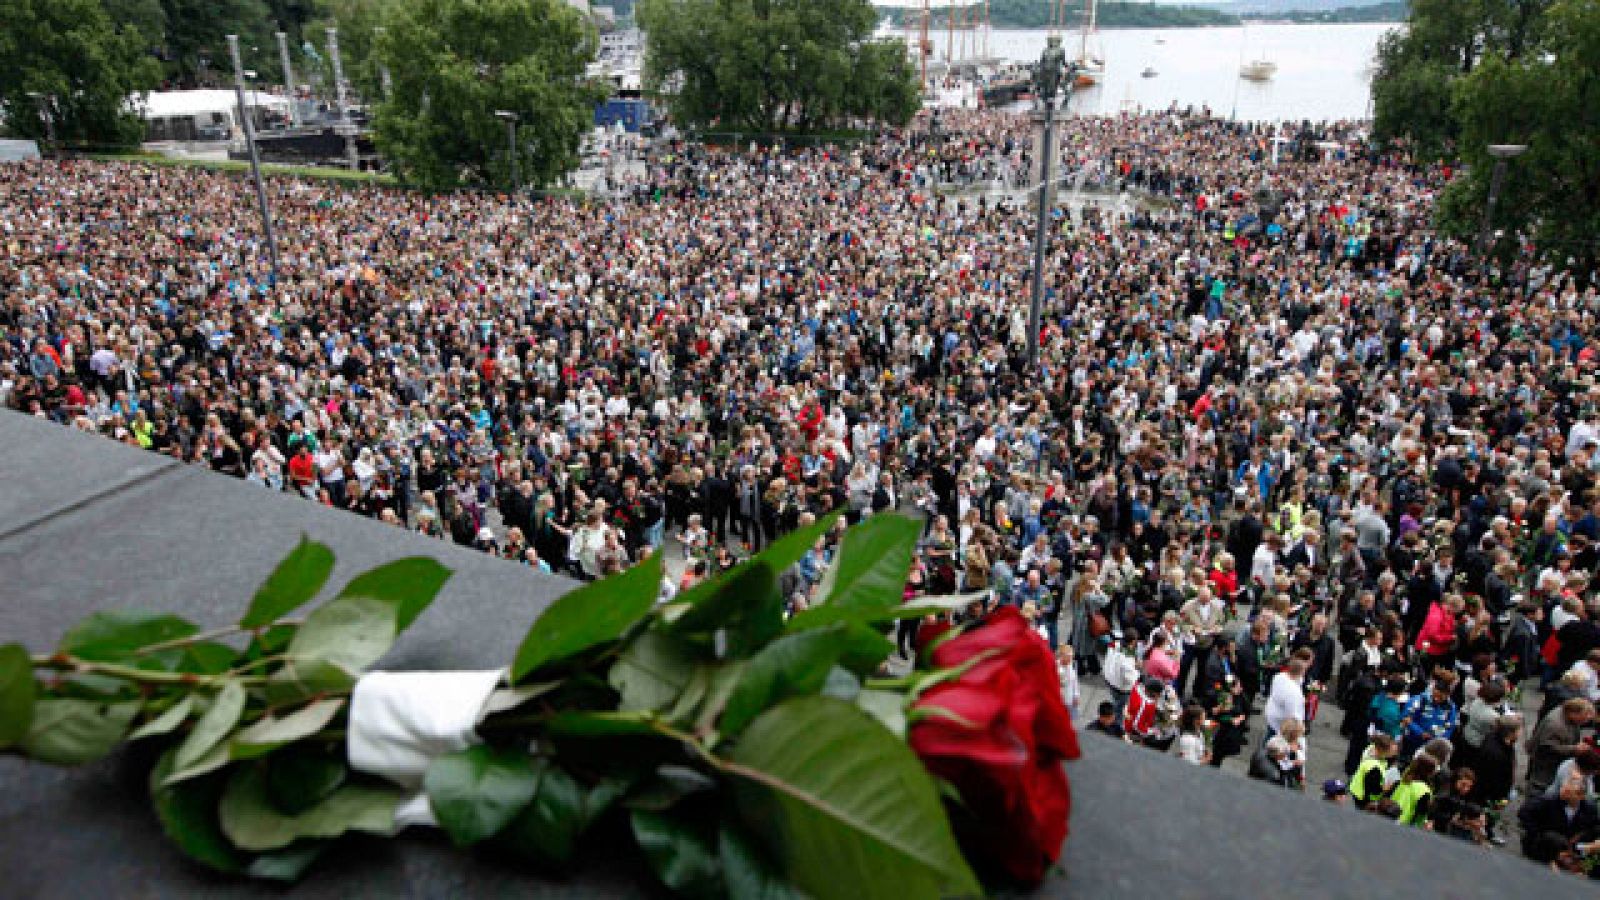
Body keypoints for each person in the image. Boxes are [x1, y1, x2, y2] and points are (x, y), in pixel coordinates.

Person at [1520, 775, 1600, 864]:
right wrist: (1537, 834)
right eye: (1563, 789)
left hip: (1570, 850)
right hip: (1545, 845)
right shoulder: (1549, 801)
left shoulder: (1589, 809)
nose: (1563, 793)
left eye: (1568, 792)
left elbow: (1594, 828)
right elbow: (1524, 813)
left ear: (1580, 796)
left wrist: (1580, 838)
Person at [1527, 698, 1597, 796]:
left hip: (1555, 762)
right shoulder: (1555, 725)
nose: (1585, 721)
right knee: (1540, 788)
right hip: (1546, 765)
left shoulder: (1566, 713)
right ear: (1573, 713)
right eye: (1584, 718)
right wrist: (1574, 749)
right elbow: (1547, 747)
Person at [1401, 672, 1459, 760]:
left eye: (1440, 697)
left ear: (1447, 695)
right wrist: (1420, 732)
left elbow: (1450, 727)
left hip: (1432, 745)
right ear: (1432, 690)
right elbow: (1406, 717)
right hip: (1412, 740)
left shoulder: (1451, 708)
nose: (1436, 699)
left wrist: (1438, 739)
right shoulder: (1419, 700)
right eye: (1435, 695)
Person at [1350, 734, 1400, 811]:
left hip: (1357, 788)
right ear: (1383, 750)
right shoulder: (1375, 768)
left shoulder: (1372, 749)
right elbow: (1373, 789)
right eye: (1393, 751)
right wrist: (1385, 788)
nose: (1395, 753)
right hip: (1362, 797)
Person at [1264, 657, 1309, 739]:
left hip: (1272, 714)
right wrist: (1300, 728)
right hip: (1281, 722)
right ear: (1301, 672)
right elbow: (1293, 715)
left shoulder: (1279, 676)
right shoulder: (1294, 692)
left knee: (1269, 735)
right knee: (1273, 741)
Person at [1391, 755, 1439, 828]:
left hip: (1388, 819)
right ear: (1430, 772)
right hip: (1405, 828)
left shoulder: (1401, 782)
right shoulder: (1424, 791)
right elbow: (1421, 816)